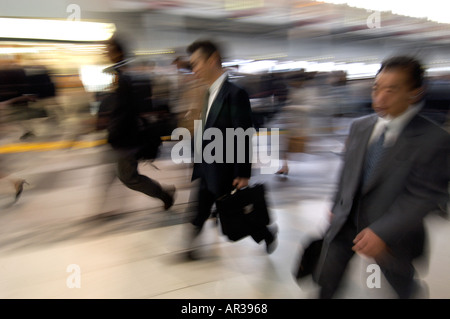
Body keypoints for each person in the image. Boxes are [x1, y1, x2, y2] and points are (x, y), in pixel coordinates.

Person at [314, 56, 450, 299]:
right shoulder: (360, 127)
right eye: (377, 88)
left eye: (391, 90)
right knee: (328, 278)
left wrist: (383, 231)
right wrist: (337, 204)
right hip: (346, 222)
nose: (380, 98)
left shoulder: (433, 139)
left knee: (400, 283)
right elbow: (348, 171)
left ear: (415, 93)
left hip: (391, 232)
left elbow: (423, 196)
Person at [185, 39, 278, 259]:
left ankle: (265, 232)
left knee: (235, 213)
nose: (194, 69)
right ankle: (189, 249)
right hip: (206, 167)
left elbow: (244, 135)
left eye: (196, 63)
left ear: (213, 60)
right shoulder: (208, 94)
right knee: (198, 211)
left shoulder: (235, 94)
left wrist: (243, 173)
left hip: (224, 169)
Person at [102, 34, 175, 212]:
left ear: (119, 51)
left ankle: (164, 194)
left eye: (109, 50)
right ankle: (109, 206)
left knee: (128, 176)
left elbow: (133, 108)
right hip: (120, 135)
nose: (106, 54)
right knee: (118, 173)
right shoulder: (119, 74)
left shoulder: (126, 75)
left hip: (127, 136)